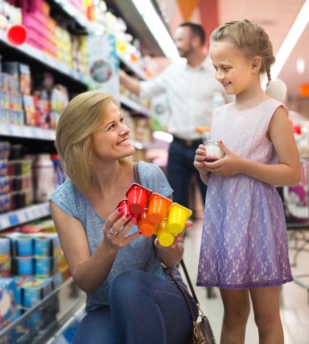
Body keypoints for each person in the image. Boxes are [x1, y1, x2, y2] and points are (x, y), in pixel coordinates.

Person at [49, 90, 197, 344]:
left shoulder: (147, 177)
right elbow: (86, 281)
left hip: (162, 298)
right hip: (104, 307)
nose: (125, 130)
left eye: (121, 121)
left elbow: (171, 260)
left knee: (126, 286)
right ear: (85, 143)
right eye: (111, 126)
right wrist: (108, 247)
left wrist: (169, 244)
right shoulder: (66, 201)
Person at [193, 19, 301, 344]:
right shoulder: (220, 115)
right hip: (225, 221)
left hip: (260, 223)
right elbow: (218, 179)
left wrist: (241, 164)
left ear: (255, 64)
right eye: (215, 67)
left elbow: (292, 172)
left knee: (267, 317)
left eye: (225, 67)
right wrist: (205, 169)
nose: (219, 75)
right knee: (233, 315)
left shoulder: (273, 112)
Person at [119, 21, 229, 299]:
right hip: (179, 148)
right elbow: (142, 91)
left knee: (214, 213)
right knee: (172, 217)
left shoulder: (216, 72)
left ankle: (217, 274)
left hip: (209, 148)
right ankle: (173, 279)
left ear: (195, 41)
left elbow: (234, 101)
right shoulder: (173, 73)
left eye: (180, 38)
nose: (177, 42)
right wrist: (115, 73)